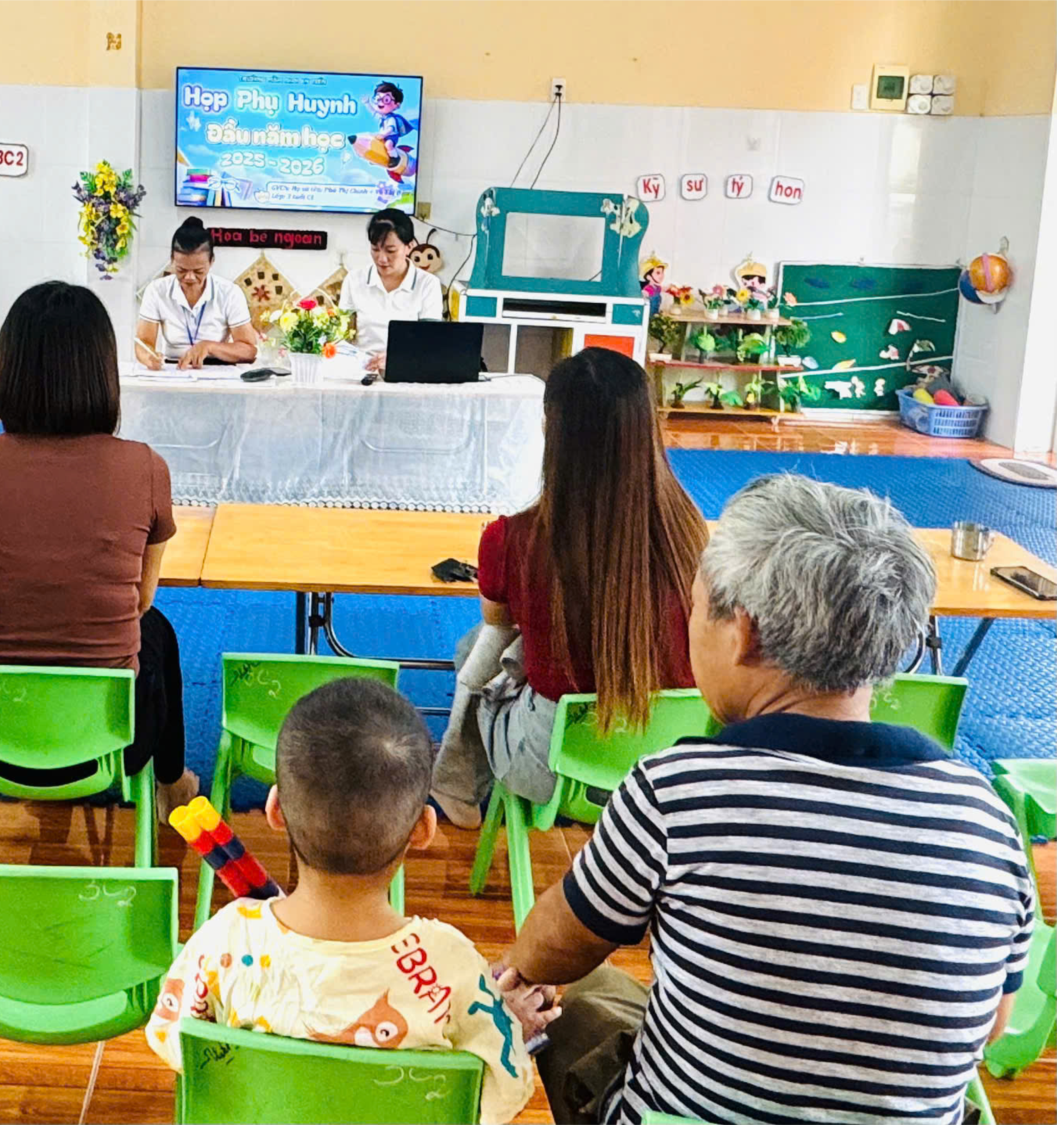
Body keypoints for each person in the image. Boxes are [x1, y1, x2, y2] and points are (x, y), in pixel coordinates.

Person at [498, 475, 1036, 1125]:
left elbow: (550, 949)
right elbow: (991, 1024)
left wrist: (515, 974)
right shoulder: (987, 820)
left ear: (743, 633)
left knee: (572, 994)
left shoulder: (678, 790)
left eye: (697, 608)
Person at [144, 678, 535, 1125]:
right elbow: (503, 1093)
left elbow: (171, 1038)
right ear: (424, 830)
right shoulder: (451, 964)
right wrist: (507, 1023)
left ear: (275, 810)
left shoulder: (227, 937)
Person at [0, 279, 198, 811]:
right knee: (156, 629)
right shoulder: (144, 467)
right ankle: (171, 787)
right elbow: (141, 599)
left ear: (7, 367)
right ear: (101, 372)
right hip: (112, 736)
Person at [431, 347, 707, 827]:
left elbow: (498, 624)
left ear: (551, 428)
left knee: (476, 646)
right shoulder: (690, 531)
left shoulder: (511, 538)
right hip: (667, 772)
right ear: (647, 429)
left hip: (554, 770)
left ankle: (456, 786)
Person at [135, 217, 259, 370]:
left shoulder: (229, 293)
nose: (189, 277)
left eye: (198, 271)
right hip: (174, 369)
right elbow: (143, 343)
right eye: (181, 270)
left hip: (219, 371)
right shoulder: (156, 290)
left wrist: (209, 347)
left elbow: (249, 351)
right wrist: (149, 358)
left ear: (211, 261)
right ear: (172, 260)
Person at [339, 206, 444, 374]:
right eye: (375, 249)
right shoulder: (354, 280)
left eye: (391, 251)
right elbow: (342, 336)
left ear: (409, 246)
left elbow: (430, 342)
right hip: (363, 370)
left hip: (408, 370)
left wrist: (397, 358)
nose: (381, 259)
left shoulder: (427, 284)